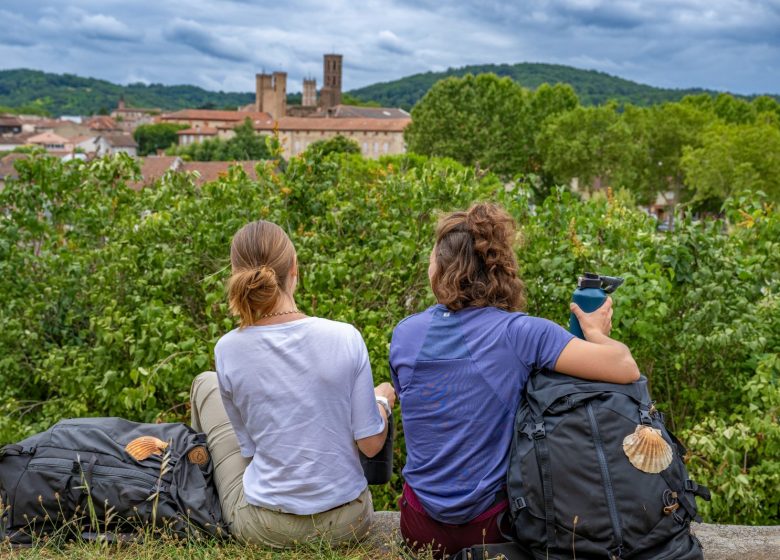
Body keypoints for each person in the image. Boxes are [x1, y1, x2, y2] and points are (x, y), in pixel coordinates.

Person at [389, 202, 640, 558]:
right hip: (492, 530)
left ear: (443, 269)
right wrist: (595, 331)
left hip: (418, 527)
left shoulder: (405, 334)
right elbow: (625, 366)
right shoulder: (521, 332)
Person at [190, 220, 396, 547]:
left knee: (205, 383)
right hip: (348, 523)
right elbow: (371, 445)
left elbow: (250, 449)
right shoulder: (345, 337)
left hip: (265, 527)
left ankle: (193, 496)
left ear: (236, 274)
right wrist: (382, 401)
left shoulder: (228, 349)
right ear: (294, 269)